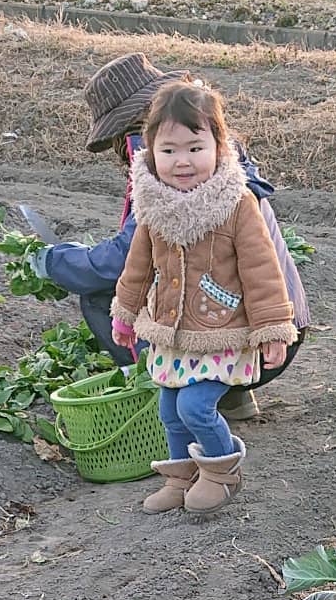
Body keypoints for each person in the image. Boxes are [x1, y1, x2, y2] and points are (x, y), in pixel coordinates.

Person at [28, 52, 309, 423]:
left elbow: (120, 263)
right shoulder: (211, 150)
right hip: (274, 330)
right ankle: (227, 398)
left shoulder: (188, 178)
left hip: (253, 337)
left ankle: (171, 397)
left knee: (100, 295)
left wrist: (54, 262)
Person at [110, 81, 298, 519]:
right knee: (169, 407)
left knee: (196, 405)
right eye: (169, 150)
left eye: (195, 148)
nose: (183, 162)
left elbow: (261, 269)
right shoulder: (153, 203)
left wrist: (273, 329)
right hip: (173, 331)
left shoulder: (236, 203)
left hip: (224, 329)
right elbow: (138, 266)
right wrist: (125, 314)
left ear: (219, 146)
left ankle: (221, 471)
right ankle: (182, 478)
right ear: (150, 151)